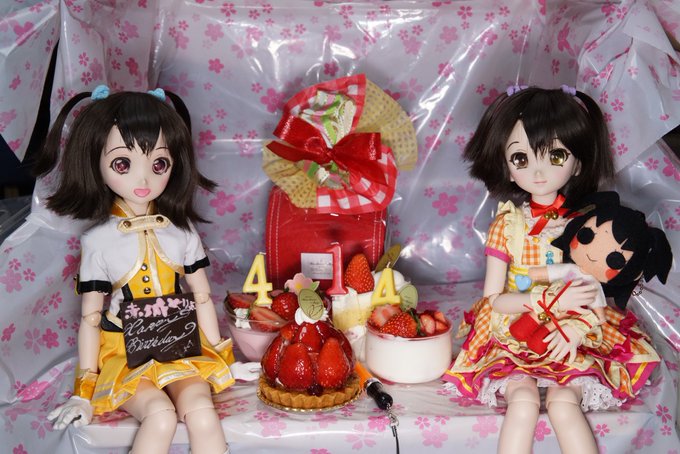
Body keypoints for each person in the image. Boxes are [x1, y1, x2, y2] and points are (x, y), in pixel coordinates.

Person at [39, 85, 254, 454]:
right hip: (125, 351)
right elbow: (91, 319)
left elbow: (202, 297)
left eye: (158, 164)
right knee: (160, 415)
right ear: (95, 162)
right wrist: (83, 393)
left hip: (180, 344)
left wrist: (225, 359)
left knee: (203, 413)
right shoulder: (99, 241)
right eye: (123, 164)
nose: (143, 180)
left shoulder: (182, 232)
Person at [442, 85, 647, 454]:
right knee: (522, 402)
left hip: (573, 328)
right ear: (506, 165)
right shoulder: (507, 225)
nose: (538, 171)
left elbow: (595, 294)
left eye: (555, 155)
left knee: (564, 403)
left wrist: (575, 328)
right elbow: (492, 300)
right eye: (520, 158)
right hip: (516, 328)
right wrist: (539, 301)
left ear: (578, 163)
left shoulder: (588, 224)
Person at [509, 192, 672, 355]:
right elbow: (549, 272)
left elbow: (598, 311)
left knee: (547, 332)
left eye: (615, 261)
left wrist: (598, 319)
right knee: (535, 315)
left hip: (569, 315)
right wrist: (535, 273)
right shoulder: (570, 269)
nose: (593, 255)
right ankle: (530, 324)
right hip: (551, 301)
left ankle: (540, 336)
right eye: (586, 236)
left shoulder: (594, 287)